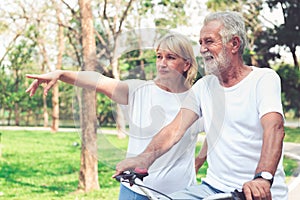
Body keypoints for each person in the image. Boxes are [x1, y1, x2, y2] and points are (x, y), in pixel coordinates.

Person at [113, 11, 288, 200]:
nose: (202, 49)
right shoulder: (204, 87)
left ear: (234, 44)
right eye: (201, 43)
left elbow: (274, 128)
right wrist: (144, 158)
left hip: (256, 192)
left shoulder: (263, 79)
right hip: (212, 188)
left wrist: (263, 178)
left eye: (209, 41)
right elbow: (173, 130)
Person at [25, 33, 203, 200]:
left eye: (170, 57)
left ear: (186, 64)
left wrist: (198, 162)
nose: (162, 63)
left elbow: (214, 134)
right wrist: (62, 74)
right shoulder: (138, 91)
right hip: (135, 192)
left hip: (179, 194)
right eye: (159, 56)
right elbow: (98, 80)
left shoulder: (198, 100)